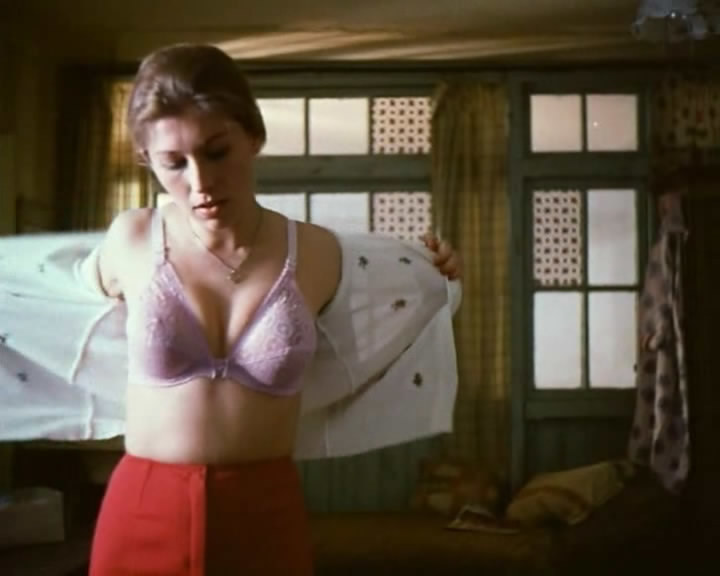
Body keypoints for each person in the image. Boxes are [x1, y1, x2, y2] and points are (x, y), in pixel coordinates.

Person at [82, 43, 462, 575]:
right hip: (144, 510)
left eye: (217, 152)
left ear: (254, 137)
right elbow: (61, 294)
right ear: (148, 159)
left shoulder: (319, 252)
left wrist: (433, 268)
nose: (200, 182)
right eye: (174, 163)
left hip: (262, 514)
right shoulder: (131, 239)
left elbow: (389, 312)